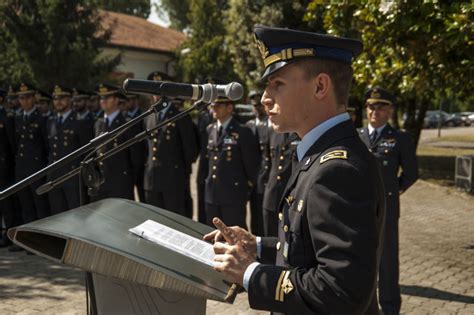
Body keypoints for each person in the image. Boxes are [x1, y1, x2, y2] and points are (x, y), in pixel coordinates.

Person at [204, 25, 386, 314]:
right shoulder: (320, 153)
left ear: (320, 87)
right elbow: (310, 250)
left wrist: (250, 273)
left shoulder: (338, 169)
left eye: (277, 84)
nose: (264, 98)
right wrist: (258, 246)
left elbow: (342, 291)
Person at [358, 87, 418, 315]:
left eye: (381, 106)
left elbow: (412, 173)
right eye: (371, 106)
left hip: (387, 209)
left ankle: (391, 308)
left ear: (390, 110)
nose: (375, 111)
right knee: (361, 257)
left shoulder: (400, 138)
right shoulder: (356, 136)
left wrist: (392, 191)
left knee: (387, 260)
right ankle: (364, 305)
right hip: (357, 208)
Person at [143, 71, 199, 217]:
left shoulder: (180, 116)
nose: (156, 95)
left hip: (173, 181)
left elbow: (190, 151)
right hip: (152, 180)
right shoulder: (149, 117)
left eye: (160, 91)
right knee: (154, 222)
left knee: (173, 221)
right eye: (154, 92)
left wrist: (180, 172)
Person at [205, 96, 259, 229]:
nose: (213, 108)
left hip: (233, 196)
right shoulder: (210, 129)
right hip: (212, 195)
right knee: (213, 237)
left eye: (218, 105)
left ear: (229, 108)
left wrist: (246, 189)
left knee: (235, 239)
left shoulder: (242, 131)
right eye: (212, 106)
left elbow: (252, 166)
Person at [46, 85, 93, 214]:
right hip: (54, 177)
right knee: (57, 216)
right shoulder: (51, 121)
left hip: (72, 177)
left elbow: (87, 152)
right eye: (55, 98)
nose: (58, 101)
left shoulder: (79, 121)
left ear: (70, 99)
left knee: (76, 217)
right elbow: (48, 148)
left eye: (62, 98)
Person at [90, 83, 138, 201]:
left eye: (107, 97)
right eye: (101, 98)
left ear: (116, 100)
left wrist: (131, 180)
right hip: (101, 182)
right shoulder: (99, 123)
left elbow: (135, 156)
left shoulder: (126, 123)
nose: (103, 101)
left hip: (120, 182)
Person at [14, 83, 50, 224]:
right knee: (26, 206)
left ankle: (43, 240)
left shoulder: (42, 118)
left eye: (28, 97)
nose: (25, 101)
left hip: (36, 169)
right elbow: (15, 144)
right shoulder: (17, 119)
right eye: (21, 98)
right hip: (22, 169)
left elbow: (46, 147)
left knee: (41, 206)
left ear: (34, 98)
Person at [261, 131, 298, 237]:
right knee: (268, 236)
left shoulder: (300, 134)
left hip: (290, 195)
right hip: (271, 194)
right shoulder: (274, 133)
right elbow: (266, 161)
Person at [246, 90, 270, 235]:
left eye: (259, 105)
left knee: (266, 218)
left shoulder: (271, 125)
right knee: (254, 217)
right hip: (252, 180)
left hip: (267, 179)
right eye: (254, 106)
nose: (257, 109)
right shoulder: (248, 126)